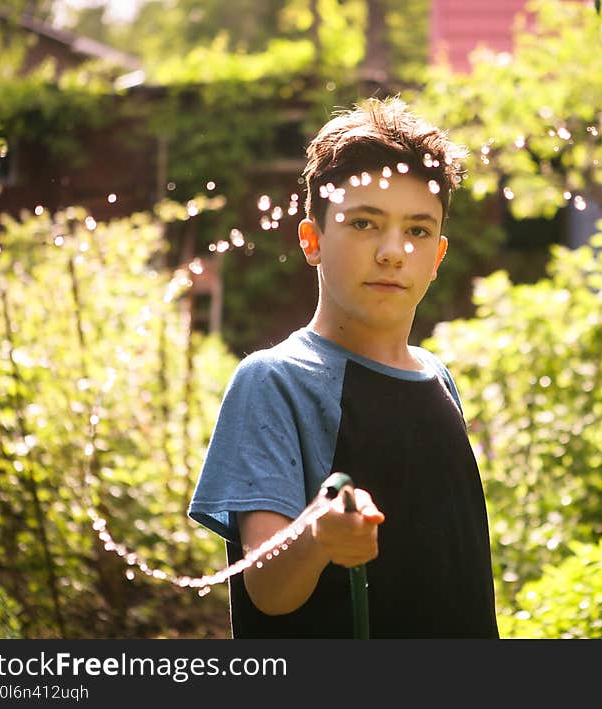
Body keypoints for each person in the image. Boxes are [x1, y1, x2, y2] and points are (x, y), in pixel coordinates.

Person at [187, 96, 499, 638]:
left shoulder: (437, 378)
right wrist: (317, 537)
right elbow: (268, 589)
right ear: (312, 240)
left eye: (418, 231)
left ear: (438, 256)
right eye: (363, 223)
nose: (392, 251)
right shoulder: (276, 382)